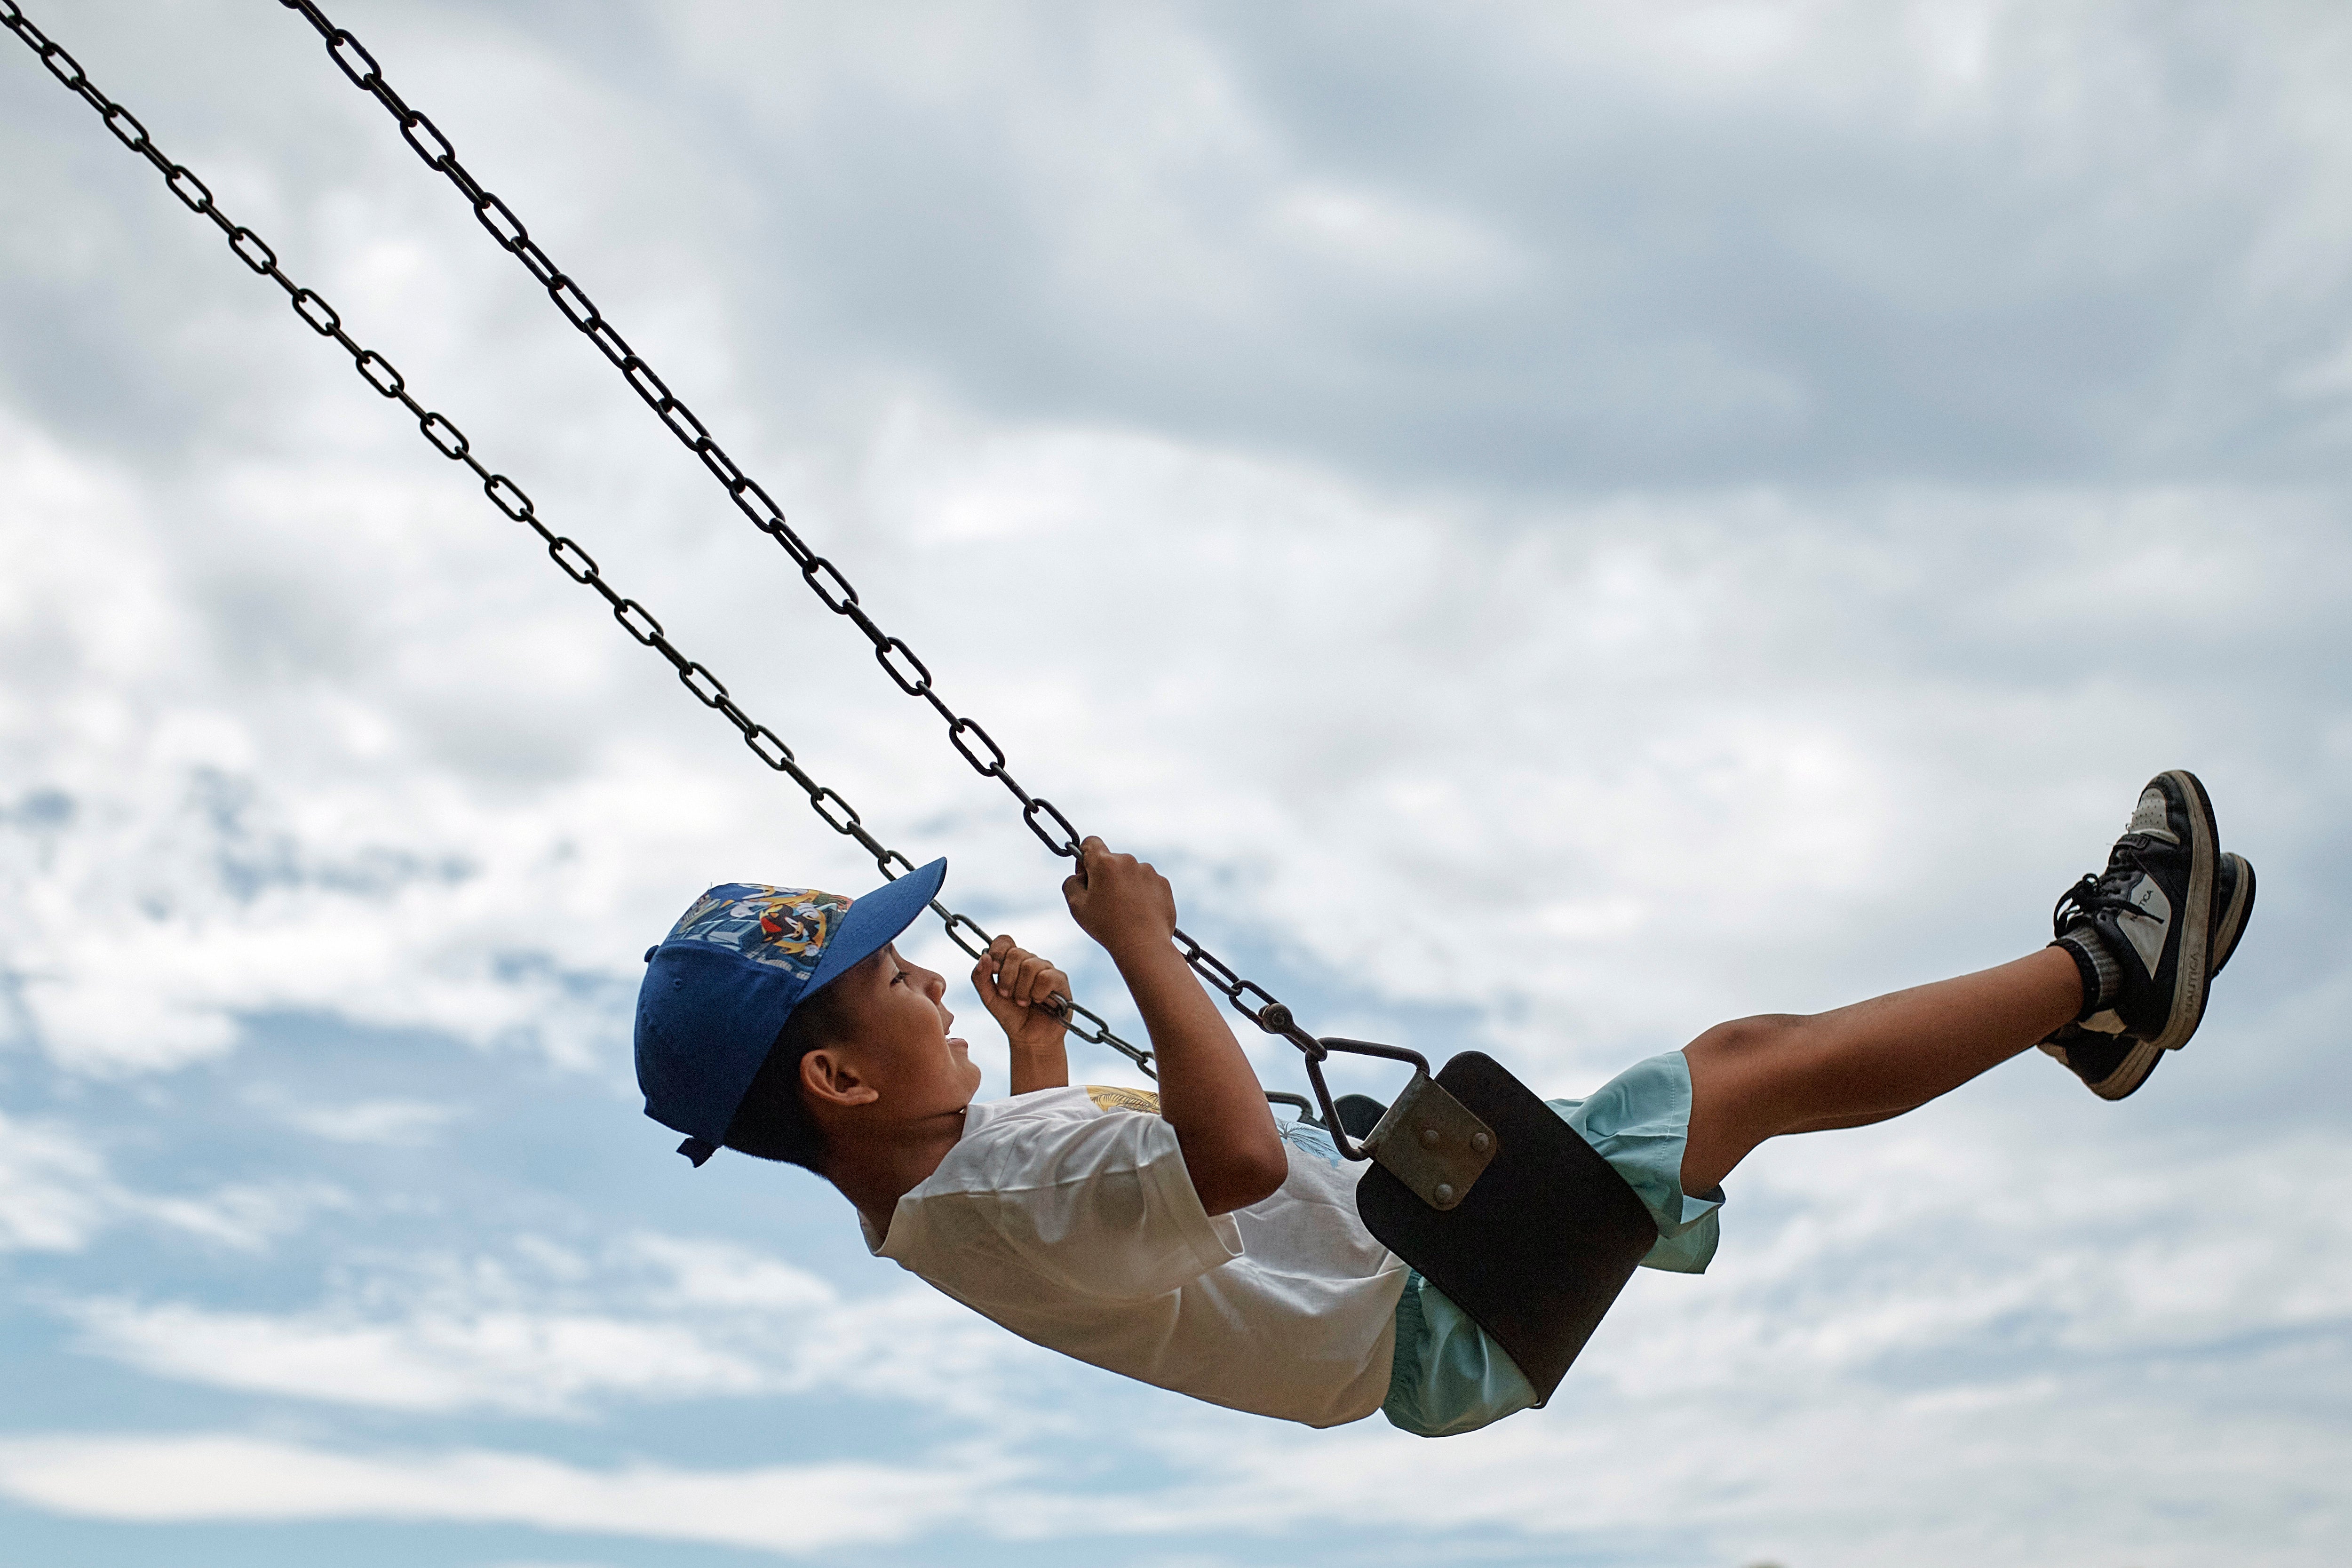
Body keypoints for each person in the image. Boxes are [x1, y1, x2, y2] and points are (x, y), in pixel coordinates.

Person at [632, 771, 2255, 1436]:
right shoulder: (987, 1205)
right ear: (836, 1078)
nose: (923, 973)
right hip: (1425, 1299)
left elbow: (1058, 1175)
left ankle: (2088, 1022)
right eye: (887, 979)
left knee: (1741, 1052)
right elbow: (1232, 1157)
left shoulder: (954, 1192)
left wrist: (1043, 1033)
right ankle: (2114, 965)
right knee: (1743, 1078)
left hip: (1402, 1271)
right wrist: (1139, 944)